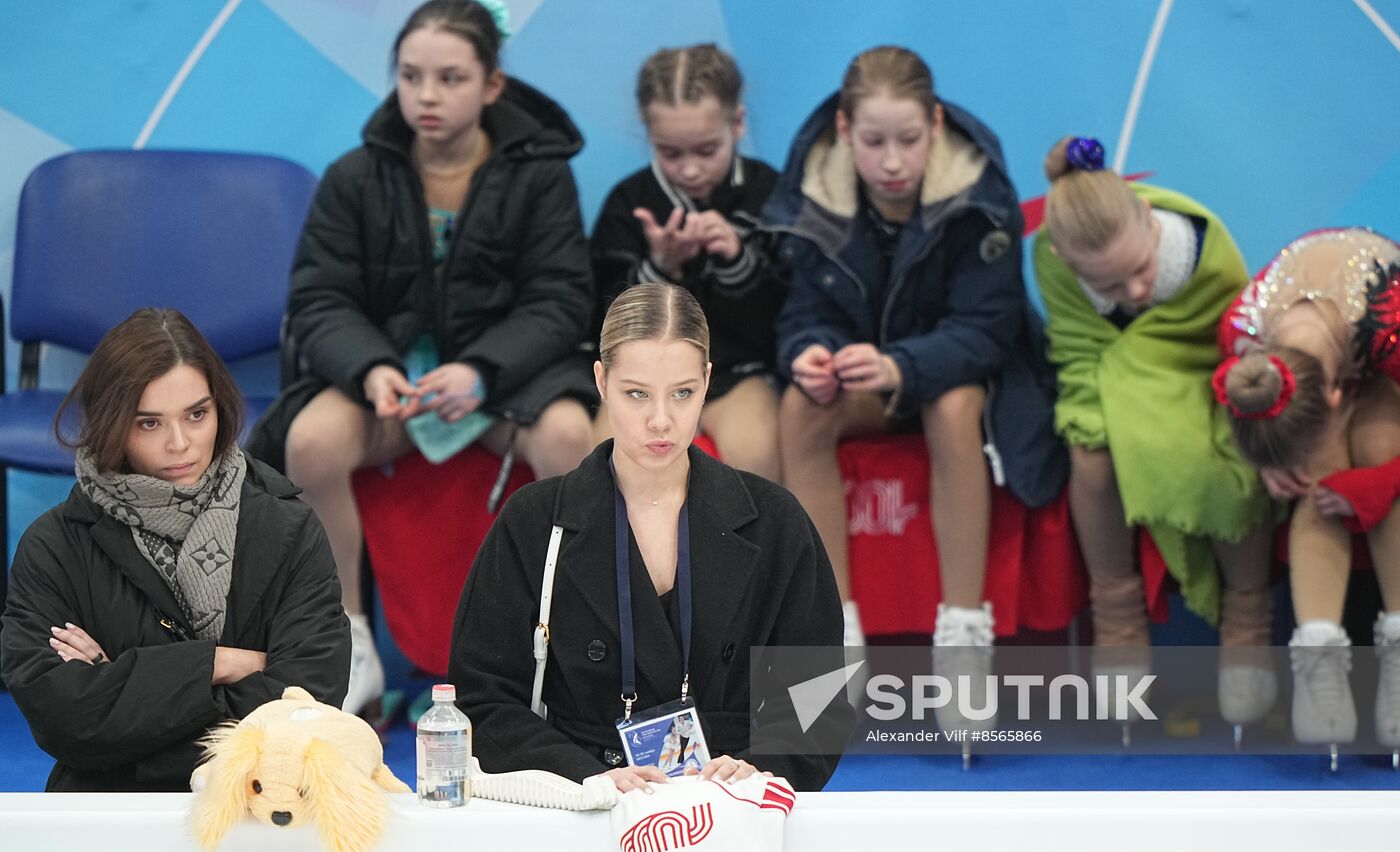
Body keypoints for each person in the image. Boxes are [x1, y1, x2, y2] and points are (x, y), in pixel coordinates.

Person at [247, 0, 596, 719]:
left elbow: (561, 301)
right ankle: (347, 646)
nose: (427, 96)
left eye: (450, 78)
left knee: (569, 438)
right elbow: (319, 299)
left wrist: (483, 371)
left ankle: (559, 647)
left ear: (492, 86)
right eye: (411, 76)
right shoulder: (355, 175)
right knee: (309, 440)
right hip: (392, 391)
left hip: (502, 385)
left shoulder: (540, 175)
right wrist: (370, 366)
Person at [449, 283, 849, 792]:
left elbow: (818, 700)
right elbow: (481, 698)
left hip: (728, 809)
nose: (660, 420)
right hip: (581, 808)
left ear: (707, 381)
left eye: (682, 393)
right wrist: (586, 779)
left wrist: (761, 769)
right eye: (636, 393)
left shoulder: (776, 522)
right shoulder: (533, 522)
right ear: (600, 380)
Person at [765, 45, 1066, 675]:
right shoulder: (812, 195)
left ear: (935, 124)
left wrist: (902, 365)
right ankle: (828, 632)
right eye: (874, 142)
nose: (893, 161)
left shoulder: (981, 193)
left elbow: (990, 327)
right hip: (868, 384)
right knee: (802, 404)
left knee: (954, 407)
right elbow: (797, 312)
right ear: (844, 131)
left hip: (963, 379)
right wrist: (808, 353)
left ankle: (963, 629)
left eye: (908, 138)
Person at [1, 308, 349, 792]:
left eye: (196, 414)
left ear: (219, 409)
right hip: (112, 816)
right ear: (110, 423)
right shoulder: (54, 546)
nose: (180, 444)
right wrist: (218, 664)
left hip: (262, 806)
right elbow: (66, 720)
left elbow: (306, 705)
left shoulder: (288, 528)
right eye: (148, 423)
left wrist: (120, 687)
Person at [1032, 136, 1278, 731]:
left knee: (1226, 455)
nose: (1135, 292)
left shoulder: (1201, 241)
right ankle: (1117, 618)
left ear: (1148, 219)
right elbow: (1078, 353)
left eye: (1141, 270)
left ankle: (1248, 617)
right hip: (1109, 387)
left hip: (1197, 382)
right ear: (1068, 264)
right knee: (1089, 453)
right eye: (1111, 288)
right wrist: (1107, 413)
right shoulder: (1049, 258)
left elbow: (1231, 346)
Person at [1216, 230, 1400, 752]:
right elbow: (1249, 408)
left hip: (1384, 365)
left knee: (1381, 444)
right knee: (1316, 472)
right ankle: (1318, 658)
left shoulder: (1392, 325)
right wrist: (1273, 466)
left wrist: (1376, 485)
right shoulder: (1243, 334)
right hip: (1326, 347)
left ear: (1339, 395)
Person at [591, 44, 783, 480]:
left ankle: (739, 553)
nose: (691, 171)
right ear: (649, 136)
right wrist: (661, 269)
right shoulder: (629, 204)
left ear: (737, 124)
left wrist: (736, 258)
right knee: (604, 458)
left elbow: (783, 319)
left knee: (753, 452)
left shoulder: (768, 194)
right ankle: (621, 550)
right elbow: (598, 323)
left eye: (706, 150)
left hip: (738, 377)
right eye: (672, 154)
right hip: (641, 379)